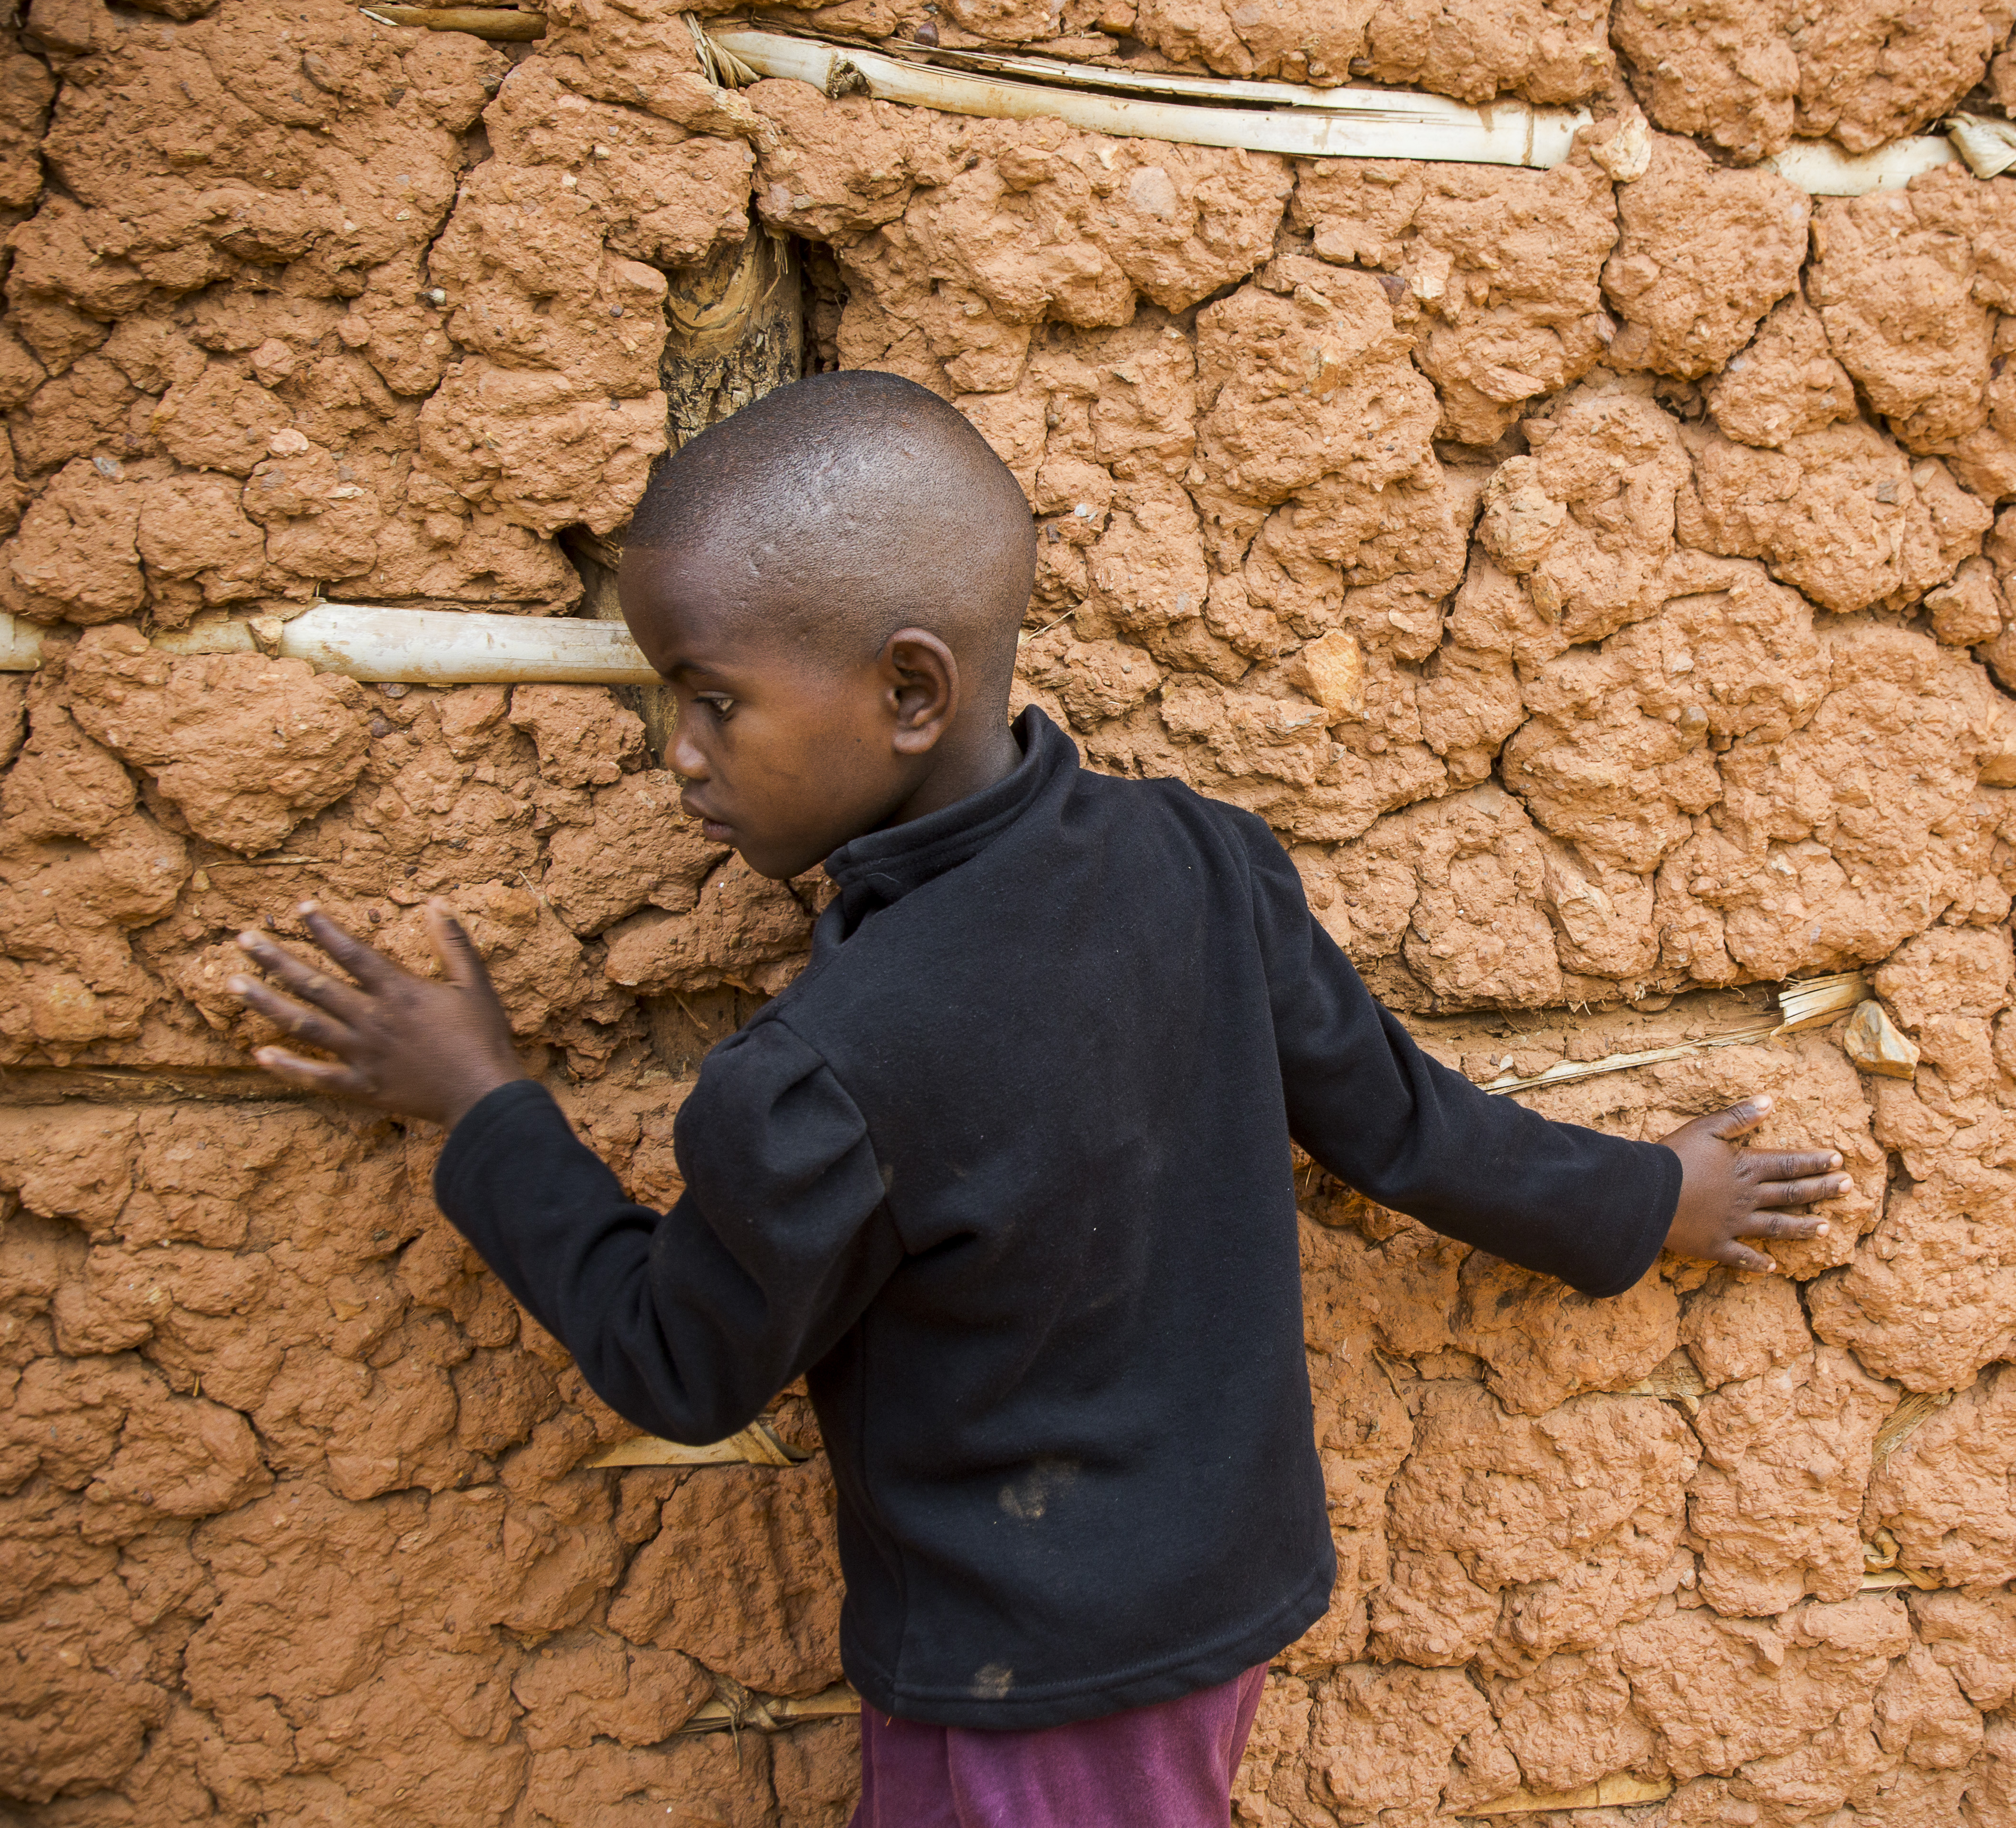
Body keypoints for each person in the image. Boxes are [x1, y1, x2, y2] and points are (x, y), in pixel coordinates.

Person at [228, 371, 1852, 1827]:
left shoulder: (813, 1078)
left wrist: (484, 1106)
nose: (679, 752)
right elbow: (1401, 1124)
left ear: (912, 694)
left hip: (1032, 1690)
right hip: (1215, 1615)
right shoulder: (1203, 856)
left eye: (710, 697)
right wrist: (1648, 1198)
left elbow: (680, 1360)